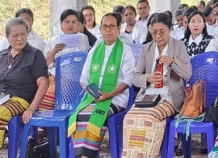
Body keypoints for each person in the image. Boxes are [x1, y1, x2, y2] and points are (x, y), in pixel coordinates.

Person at [122, 13, 192, 157]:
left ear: (170, 29)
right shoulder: (147, 48)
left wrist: (173, 61)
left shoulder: (178, 46)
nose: (158, 36)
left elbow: (187, 74)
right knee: (130, 117)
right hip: (148, 94)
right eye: (154, 32)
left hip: (170, 95)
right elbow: (136, 77)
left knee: (150, 118)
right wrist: (148, 77)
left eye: (162, 32)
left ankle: (148, 154)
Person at [71, 13, 135, 157]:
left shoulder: (126, 50)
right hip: (93, 97)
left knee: (93, 115)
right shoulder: (95, 50)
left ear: (119, 28)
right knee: (79, 114)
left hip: (115, 98)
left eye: (112, 26)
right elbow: (84, 77)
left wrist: (108, 95)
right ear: (100, 29)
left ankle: (86, 155)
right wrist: (90, 89)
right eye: (105, 26)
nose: (108, 30)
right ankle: (83, 154)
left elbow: (129, 79)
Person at [0, 18, 48, 158]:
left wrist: (31, 108)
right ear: (7, 37)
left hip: (19, 98)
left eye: (23, 34)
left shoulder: (35, 55)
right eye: (15, 35)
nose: (20, 39)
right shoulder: (0, 56)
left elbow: (43, 83)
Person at [41, 9, 90, 110]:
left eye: (73, 22)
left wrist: (57, 62)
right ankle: (51, 125)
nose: (70, 25)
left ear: (78, 24)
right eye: (67, 22)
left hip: (74, 79)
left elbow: (80, 60)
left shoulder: (82, 38)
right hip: (54, 79)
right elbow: (44, 64)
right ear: (61, 24)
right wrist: (54, 51)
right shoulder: (53, 40)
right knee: (43, 99)